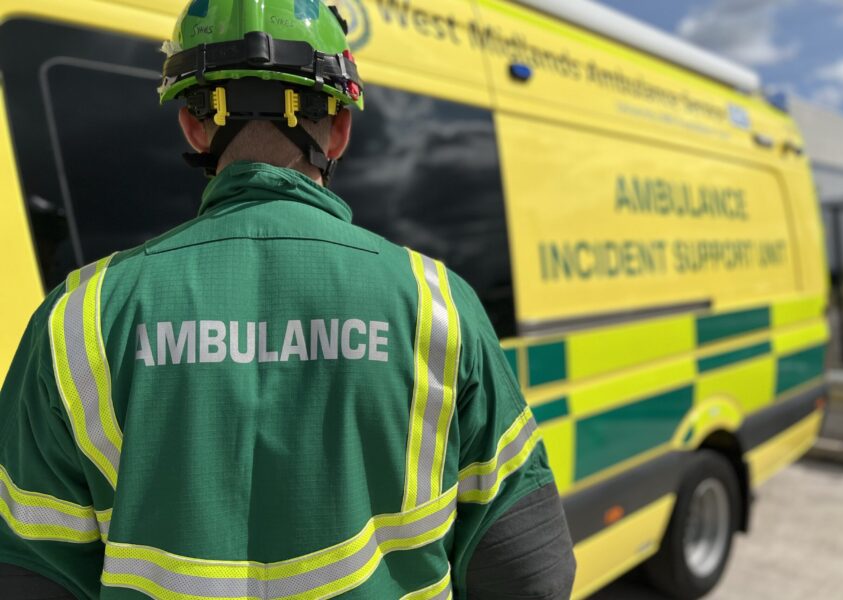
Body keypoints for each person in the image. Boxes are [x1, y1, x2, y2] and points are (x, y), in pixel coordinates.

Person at [0, 1, 576, 598]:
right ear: (342, 129)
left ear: (194, 127)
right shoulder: (439, 305)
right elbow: (531, 571)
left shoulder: (76, 319)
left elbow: (26, 570)